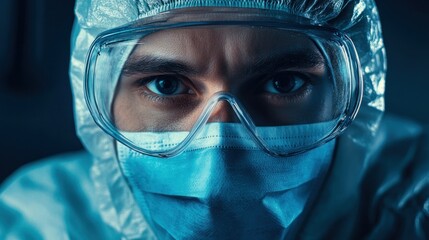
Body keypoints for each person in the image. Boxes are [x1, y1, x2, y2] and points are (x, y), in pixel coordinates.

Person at [0, 0, 428, 239]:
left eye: (283, 83)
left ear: (353, 99)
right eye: (166, 84)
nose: (220, 157)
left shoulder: (413, 210)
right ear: (100, 103)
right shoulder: (38, 225)